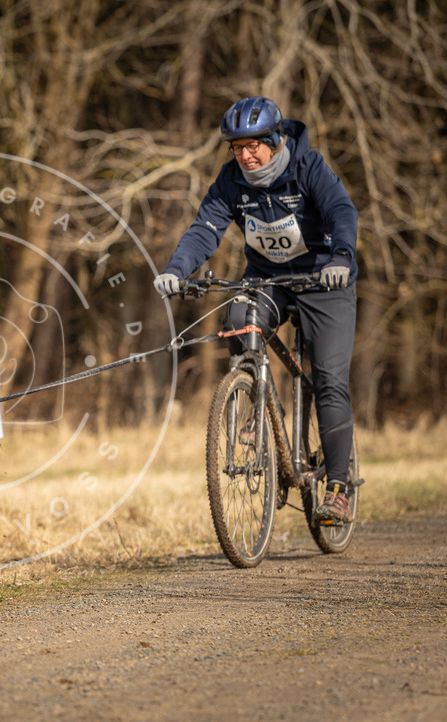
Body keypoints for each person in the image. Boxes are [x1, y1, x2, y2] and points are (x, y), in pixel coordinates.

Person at [153, 96, 358, 524]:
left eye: (252, 147)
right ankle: (262, 409)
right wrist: (176, 269)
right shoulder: (231, 181)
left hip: (324, 280)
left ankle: (338, 488)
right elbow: (204, 228)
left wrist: (342, 257)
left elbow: (341, 211)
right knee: (237, 319)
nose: (244, 156)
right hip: (268, 279)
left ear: (275, 139)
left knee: (329, 381)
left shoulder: (308, 167)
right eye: (235, 148)